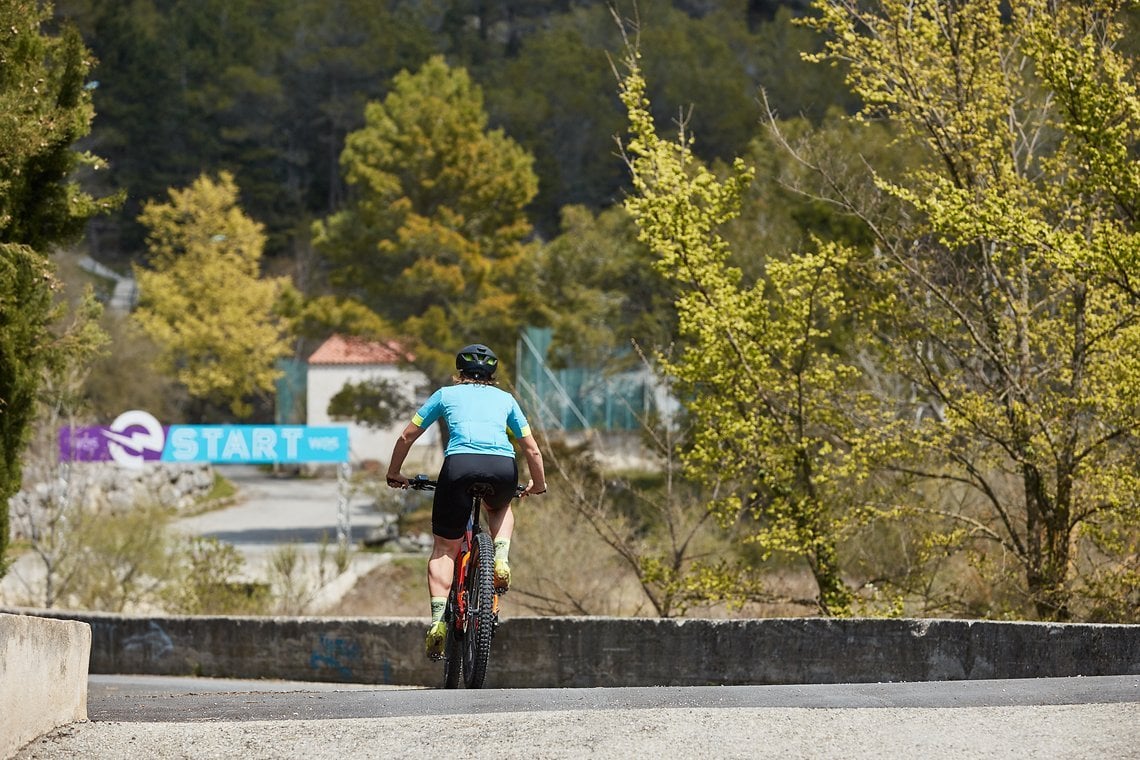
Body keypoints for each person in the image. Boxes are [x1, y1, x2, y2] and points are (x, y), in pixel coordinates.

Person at [385, 343, 547, 660]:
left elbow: (407, 436)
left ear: (459, 373)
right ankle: (500, 558)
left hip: (458, 465)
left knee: (445, 547)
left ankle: (436, 623)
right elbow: (532, 449)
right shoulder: (507, 400)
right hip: (502, 467)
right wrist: (538, 484)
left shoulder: (445, 395)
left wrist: (395, 472)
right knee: (500, 507)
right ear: (493, 375)